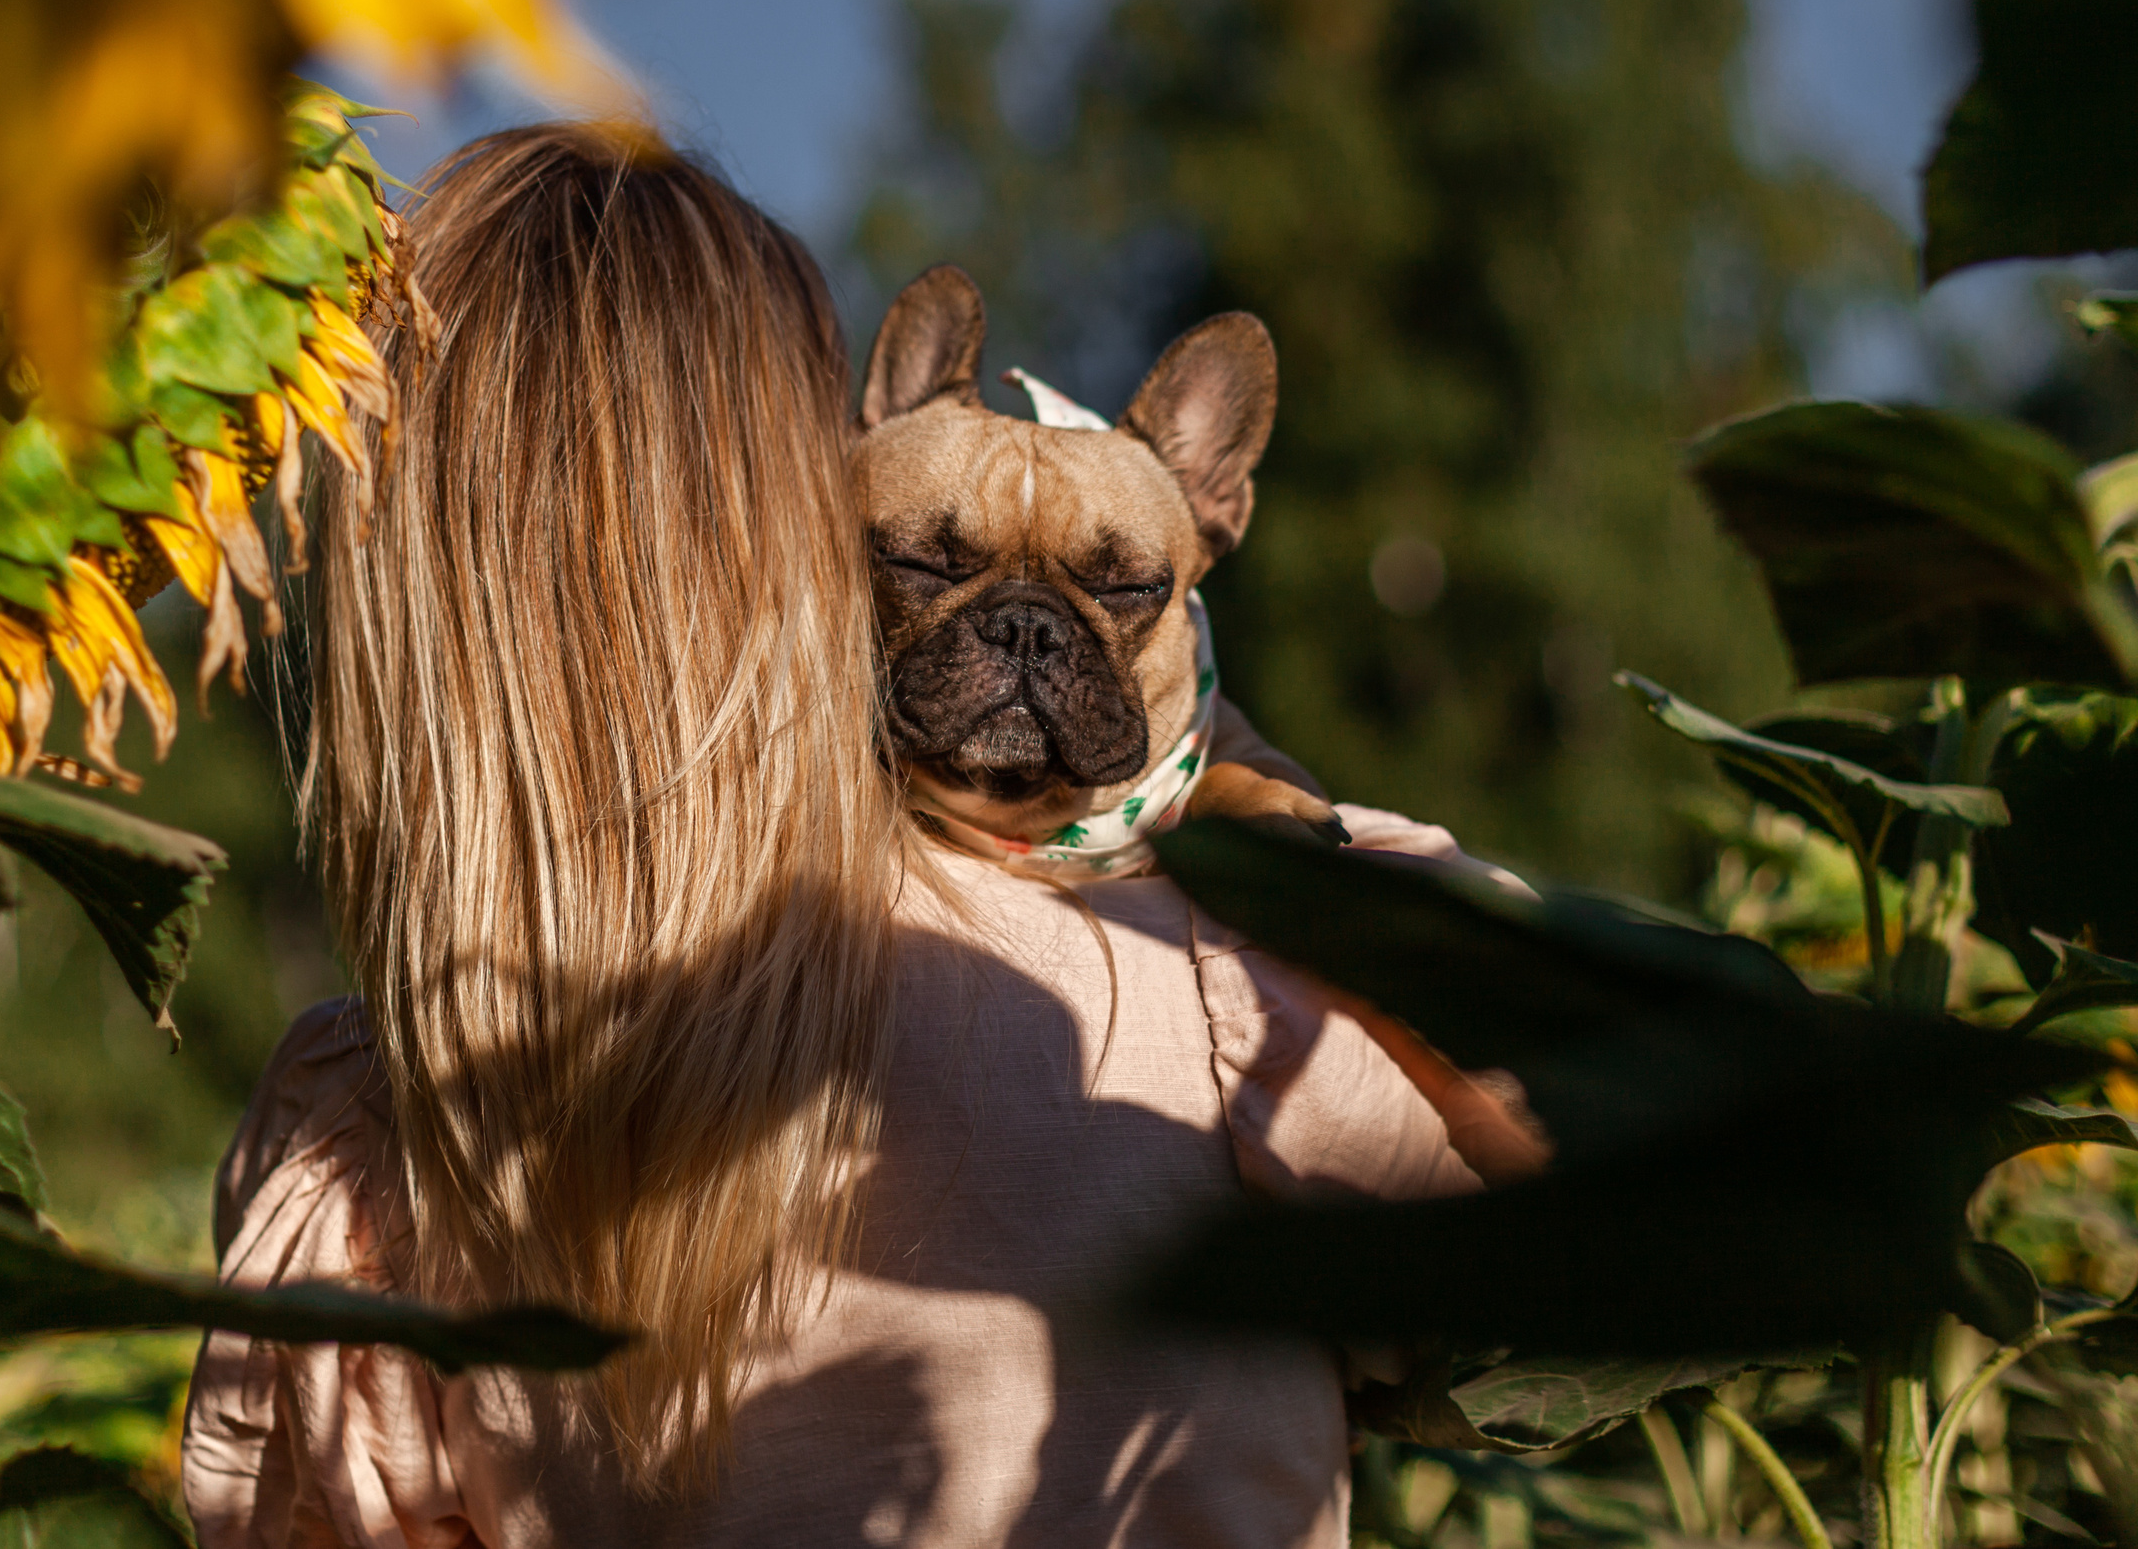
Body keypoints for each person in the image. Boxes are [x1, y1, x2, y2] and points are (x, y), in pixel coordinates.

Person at [180, 122, 1484, 1549]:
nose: (1026, 638)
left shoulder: (368, 1133)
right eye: (929, 564)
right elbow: (1592, 1268)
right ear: (795, 518)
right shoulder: (1263, 962)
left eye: (1109, 595)